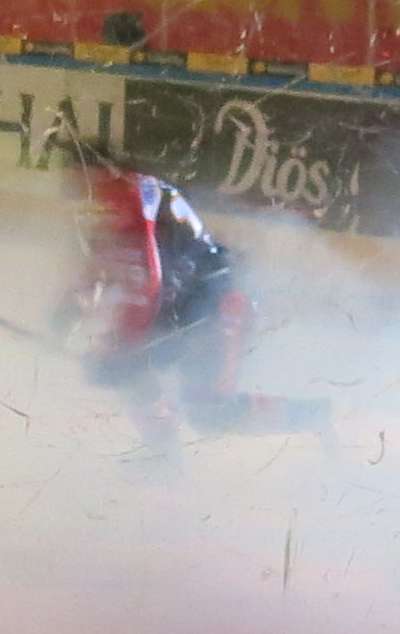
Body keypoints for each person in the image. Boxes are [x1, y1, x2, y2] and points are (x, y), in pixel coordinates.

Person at [66, 150, 326, 452]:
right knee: (135, 377)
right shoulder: (129, 199)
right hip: (189, 309)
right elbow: (110, 269)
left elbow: (148, 280)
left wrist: (123, 346)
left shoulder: (132, 195)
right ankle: (163, 458)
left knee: (209, 413)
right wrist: (74, 315)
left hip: (218, 308)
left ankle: (312, 414)